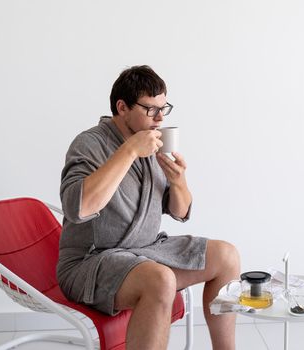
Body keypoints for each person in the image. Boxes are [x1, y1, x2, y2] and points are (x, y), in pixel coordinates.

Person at [57, 65, 240, 350]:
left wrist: (179, 181)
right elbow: (78, 208)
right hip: (91, 262)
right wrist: (129, 151)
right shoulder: (89, 144)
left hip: (147, 250)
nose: (159, 118)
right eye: (150, 109)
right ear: (122, 107)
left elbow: (179, 212)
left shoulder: (154, 143)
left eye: (163, 108)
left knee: (227, 256)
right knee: (160, 279)